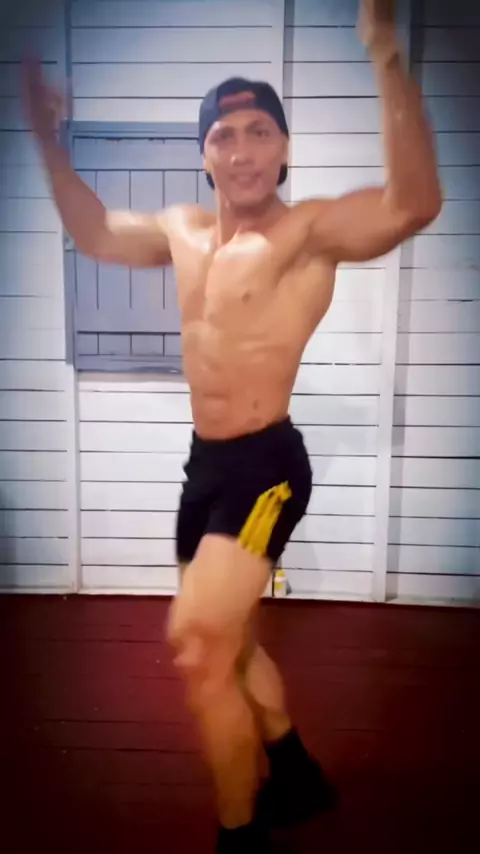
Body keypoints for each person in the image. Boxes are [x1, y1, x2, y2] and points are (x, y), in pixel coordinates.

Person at [21, 1, 442, 850]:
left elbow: (412, 203)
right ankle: (295, 772)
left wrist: (384, 55)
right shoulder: (182, 230)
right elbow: (94, 231)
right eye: (224, 135)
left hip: (267, 468)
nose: (242, 150)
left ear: (283, 148)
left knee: (197, 643)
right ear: (204, 152)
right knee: (234, 642)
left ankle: (239, 834)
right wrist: (47, 140)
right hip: (205, 466)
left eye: (259, 132)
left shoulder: (307, 233)